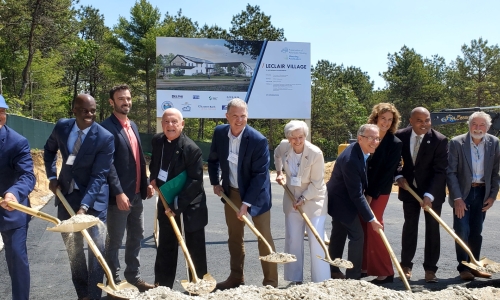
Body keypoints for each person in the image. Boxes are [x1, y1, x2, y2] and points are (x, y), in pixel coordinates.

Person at [44, 94, 114, 300]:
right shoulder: (62, 127)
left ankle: (94, 295)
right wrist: (50, 176)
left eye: (93, 111)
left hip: (93, 202)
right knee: (74, 252)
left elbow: (99, 175)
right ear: (74, 110)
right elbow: (49, 151)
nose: (90, 115)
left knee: (96, 252)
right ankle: (82, 294)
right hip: (67, 196)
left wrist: (84, 207)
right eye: (85, 111)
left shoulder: (104, 137)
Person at [208, 98, 278, 290]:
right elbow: (213, 159)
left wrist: (246, 203)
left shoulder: (258, 140)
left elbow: (259, 176)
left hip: (256, 195)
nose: (239, 120)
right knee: (234, 237)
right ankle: (236, 277)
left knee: (263, 237)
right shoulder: (220, 133)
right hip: (232, 192)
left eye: (243, 116)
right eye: (235, 116)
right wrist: (215, 182)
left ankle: (270, 282)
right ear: (227, 116)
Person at [101, 85, 154, 293]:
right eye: (121, 98)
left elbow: (139, 158)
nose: (126, 102)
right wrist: (118, 192)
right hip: (119, 197)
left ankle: (134, 278)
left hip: (137, 194)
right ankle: (113, 282)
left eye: (129, 98)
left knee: (136, 235)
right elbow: (108, 165)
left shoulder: (133, 125)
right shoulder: (106, 128)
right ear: (111, 102)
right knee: (114, 240)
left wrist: (146, 182)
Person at [149, 108, 208, 288]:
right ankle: (163, 285)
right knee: (167, 241)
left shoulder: (192, 149)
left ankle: (198, 284)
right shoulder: (158, 141)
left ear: (182, 124)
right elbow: (154, 163)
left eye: (174, 122)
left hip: (190, 199)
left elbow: (195, 180)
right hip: (166, 196)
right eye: (166, 122)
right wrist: (153, 178)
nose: (170, 125)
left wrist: (176, 206)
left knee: (194, 242)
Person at [395, 107, 448, 283]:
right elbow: (394, 162)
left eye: (427, 120)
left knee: (433, 230)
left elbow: (440, 171)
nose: (424, 124)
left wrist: (430, 195)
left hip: (432, 193)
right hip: (409, 190)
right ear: (411, 121)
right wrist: (399, 175)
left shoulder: (439, 140)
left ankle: (430, 270)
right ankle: (406, 266)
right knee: (410, 227)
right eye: (419, 120)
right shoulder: (400, 136)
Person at [274, 120, 330, 284]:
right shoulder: (284, 147)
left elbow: (317, 183)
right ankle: (294, 279)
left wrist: (303, 199)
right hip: (292, 199)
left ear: (305, 136)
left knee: (316, 240)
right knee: (293, 239)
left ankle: (321, 281)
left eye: (301, 137)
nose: (297, 141)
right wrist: (279, 172)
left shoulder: (315, 153)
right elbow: (276, 155)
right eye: (293, 137)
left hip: (313, 199)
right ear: (288, 137)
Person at [446, 111, 500, 281]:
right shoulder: (456, 143)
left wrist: (492, 195)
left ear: (488, 127)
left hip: (483, 194)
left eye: (482, 125)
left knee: (477, 231)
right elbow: (451, 172)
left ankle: (474, 265)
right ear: (469, 125)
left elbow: (495, 172)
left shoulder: (494, 143)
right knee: (462, 230)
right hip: (463, 194)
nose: (478, 128)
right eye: (474, 124)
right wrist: (457, 198)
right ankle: (463, 268)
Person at [327, 124, 384, 280]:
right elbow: (356, 194)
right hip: (341, 202)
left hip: (341, 198)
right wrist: (372, 219)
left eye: (377, 138)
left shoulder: (360, 151)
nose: (374, 141)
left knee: (339, 233)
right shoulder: (351, 159)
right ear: (360, 138)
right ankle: (353, 277)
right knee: (357, 235)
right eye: (370, 138)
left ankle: (332, 270)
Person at [361, 103, 402, 284]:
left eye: (390, 120)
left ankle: (386, 272)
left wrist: (371, 193)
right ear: (376, 117)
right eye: (383, 118)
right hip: (362, 188)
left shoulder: (395, 143)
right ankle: (363, 267)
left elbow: (387, 173)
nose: (386, 122)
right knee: (362, 226)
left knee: (375, 226)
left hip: (380, 191)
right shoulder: (368, 136)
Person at [0, 95, 36, 300]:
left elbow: (28, 176)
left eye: (2, 111)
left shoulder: (17, 142)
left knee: (16, 257)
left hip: (12, 207)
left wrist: (13, 193)